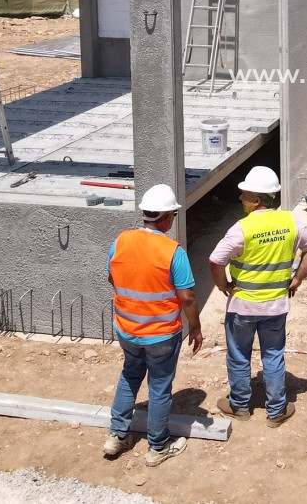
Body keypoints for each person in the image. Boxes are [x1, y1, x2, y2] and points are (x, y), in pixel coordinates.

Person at [209, 166, 307, 428]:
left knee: (238, 355)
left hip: (243, 307)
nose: (240, 198)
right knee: (273, 355)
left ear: (257, 200)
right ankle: (276, 410)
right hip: (275, 306)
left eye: (244, 194)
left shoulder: (241, 229)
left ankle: (239, 406)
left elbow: (215, 259)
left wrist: (223, 285)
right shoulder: (290, 222)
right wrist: (297, 279)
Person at [104, 184, 202, 467]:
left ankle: (116, 435)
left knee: (129, 376)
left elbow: (112, 276)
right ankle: (157, 447)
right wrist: (195, 327)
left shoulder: (121, 240)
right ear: (167, 218)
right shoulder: (172, 251)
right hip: (161, 334)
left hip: (127, 330)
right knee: (159, 387)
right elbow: (187, 297)